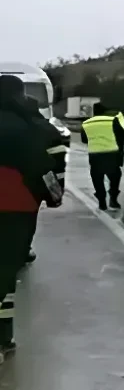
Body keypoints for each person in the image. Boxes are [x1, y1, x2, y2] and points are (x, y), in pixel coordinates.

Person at [0, 75, 63, 360]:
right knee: (5, 272)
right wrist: (53, 196)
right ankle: (3, 338)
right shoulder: (31, 125)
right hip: (17, 208)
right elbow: (45, 167)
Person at [16, 93, 68, 264]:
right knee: (28, 217)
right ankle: (23, 249)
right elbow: (58, 162)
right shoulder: (46, 128)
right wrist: (56, 191)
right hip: (34, 183)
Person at [80, 102, 124, 211]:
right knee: (115, 177)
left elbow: (84, 139)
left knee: (97, 178)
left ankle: (102, 202)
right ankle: (113, 200)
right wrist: (121, 153)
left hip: (95, 155)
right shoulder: (112, 120)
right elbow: (121, 136)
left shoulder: (86, 123)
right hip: (111, 154)